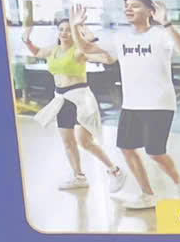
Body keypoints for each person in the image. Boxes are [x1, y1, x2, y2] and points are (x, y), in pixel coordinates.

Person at [107, 0, 180, 212]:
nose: (128, 9)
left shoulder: (161, 34)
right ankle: (147, 194)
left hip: (158, 103)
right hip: (131, 104)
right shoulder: (120, 37)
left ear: (150, 12)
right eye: (126, 6)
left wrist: (166, 23)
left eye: (135, 6)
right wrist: (76, 29)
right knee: (126, 148)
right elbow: (94, 52)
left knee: (155, 152)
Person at [24, 13, 121, 190]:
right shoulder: (53, 50)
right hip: (61, 99)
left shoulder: (78, 50)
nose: (64, 33)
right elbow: (37, 52)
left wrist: (85, 31)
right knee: (68, 143)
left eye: (69, 30)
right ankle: (79, 177)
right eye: (61, 29)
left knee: (85, 141)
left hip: (80, 99)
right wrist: (27, 39)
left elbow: (101, 54)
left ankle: (115, 171)